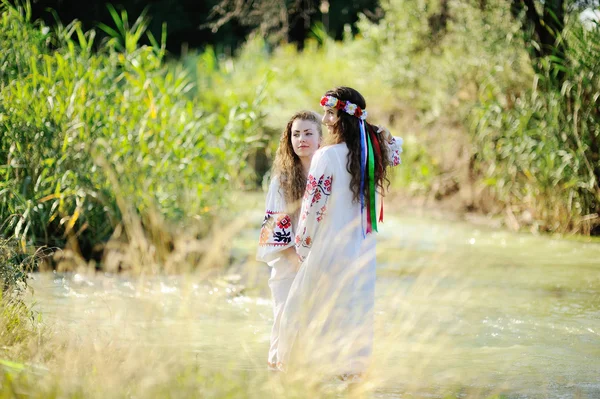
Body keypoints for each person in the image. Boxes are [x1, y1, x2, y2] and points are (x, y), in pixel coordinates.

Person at [276, 87, 403, 379]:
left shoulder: (326, 156)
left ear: (342, 119)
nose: (324, 119)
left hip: (329, 247)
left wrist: (303, 247)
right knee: (355, 309)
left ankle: (307, 373)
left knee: (307, 310)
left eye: (330, 114)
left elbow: (311, 210)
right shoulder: (373, 153)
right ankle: (352, 374)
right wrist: (377, 132)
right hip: (362, 249)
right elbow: (397, 149)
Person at [256, 110, 323, 371]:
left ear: (320, 139)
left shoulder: (328, 177)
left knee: (313, 332)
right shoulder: (281, 180)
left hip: (319, 264)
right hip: (288, 264)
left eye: (308, 133)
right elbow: (274, 229)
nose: (301, 139)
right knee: (284, 324)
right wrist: (297, 261)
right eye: (296, 134)